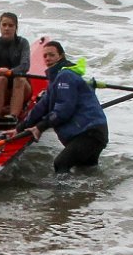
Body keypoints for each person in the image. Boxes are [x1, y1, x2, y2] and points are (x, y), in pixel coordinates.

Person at [11, 38, 109, 173]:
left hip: (89, 133)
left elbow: (64, 110)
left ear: (61, 56)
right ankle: (88, 193)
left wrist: (40, 127)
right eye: (45, 56)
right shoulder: (56, 78)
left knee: (60, 164)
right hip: (87, 132)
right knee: (85, 171)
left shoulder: (65, 76)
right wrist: (20, 128)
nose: (47, 58)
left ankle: (63, 194)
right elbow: (42, 106)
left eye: (52, 55)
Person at [0, 12, 32, 122]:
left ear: (16, 28)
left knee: (19, 78)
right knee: (0, 79)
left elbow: (25, 66)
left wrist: (10, 72)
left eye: (11, 25)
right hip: (0, 89)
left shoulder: (23, 43)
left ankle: (13, 116)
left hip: (23, 90)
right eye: (4, 25)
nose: (7, 28)